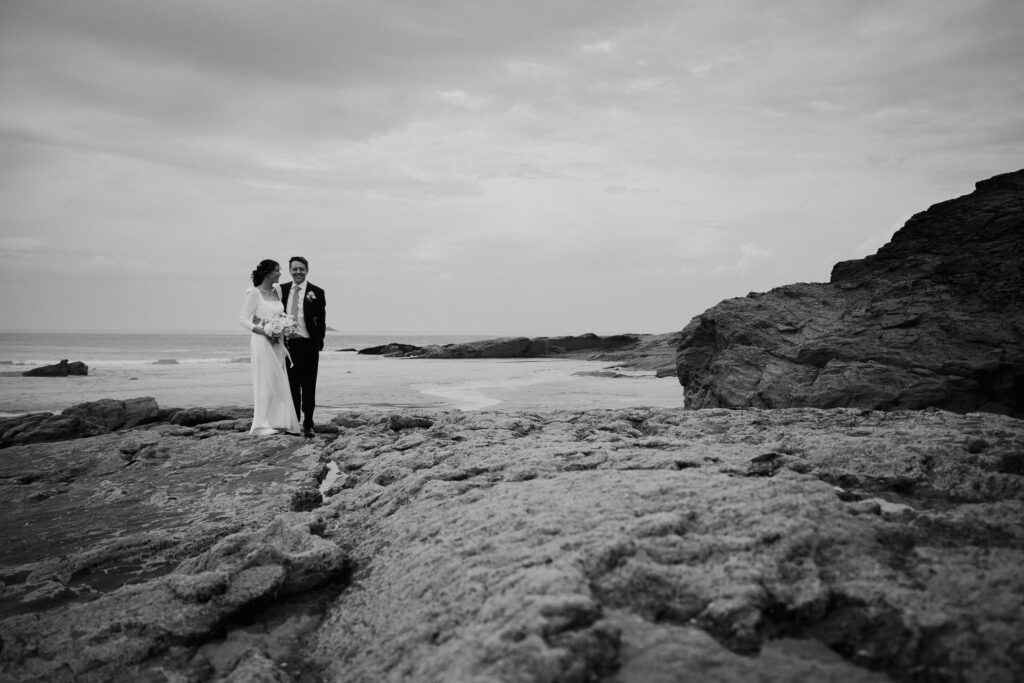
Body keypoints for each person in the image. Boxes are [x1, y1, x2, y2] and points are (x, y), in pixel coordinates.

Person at [239, 259, 301, 436]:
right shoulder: (254, 293)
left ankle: (278, 421)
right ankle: (260, 425)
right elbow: (243, 319)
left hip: (277, 342)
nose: (280, 273)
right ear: (267, 273)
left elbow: (279, 315)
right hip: (262, 341)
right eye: (277, 270)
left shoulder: (277, 290)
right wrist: (264, 331)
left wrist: (285, 326)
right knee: (264, 381)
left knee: (277, 381)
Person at [280, 256, 326, 437]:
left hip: (308, 345)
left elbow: (321, 321)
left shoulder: (317, 292)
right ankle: (294, 423)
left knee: (308, 385)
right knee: (291, 385)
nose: (298, 272)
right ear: (290, 270)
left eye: (301, 269)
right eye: (295, 269)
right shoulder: (281, 290)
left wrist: (318, 342)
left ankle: (308, 423)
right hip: (288, 346)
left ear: (307, 270)